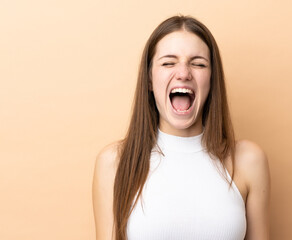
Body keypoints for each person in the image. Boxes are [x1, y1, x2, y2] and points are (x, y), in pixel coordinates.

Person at [92, 15, 270, 240]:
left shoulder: (248, 161)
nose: (184, 73)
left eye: (198, 64)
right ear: (149, 79)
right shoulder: (114, 163)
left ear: (212, 80)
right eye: (168, 63)